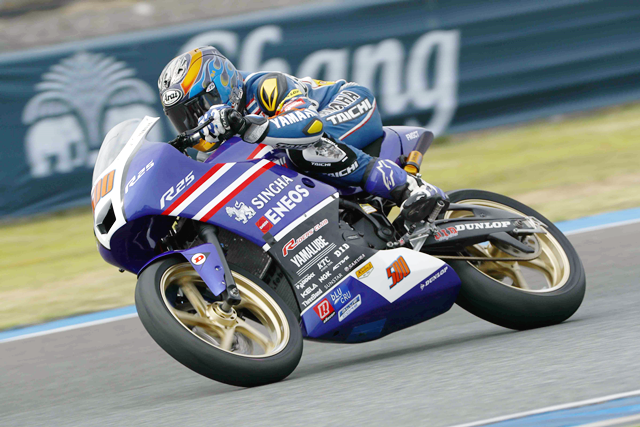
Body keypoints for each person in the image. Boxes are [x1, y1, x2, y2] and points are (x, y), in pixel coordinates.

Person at [158, 46, 447, 224]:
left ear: (222, 85)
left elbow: (309, 125)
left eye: (199, 108)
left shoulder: (265, 85)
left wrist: (245, 125)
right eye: (183, 118)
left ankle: (409, 188)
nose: (196, 122)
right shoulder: (210, 149)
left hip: (348, 104)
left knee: (301, 150)